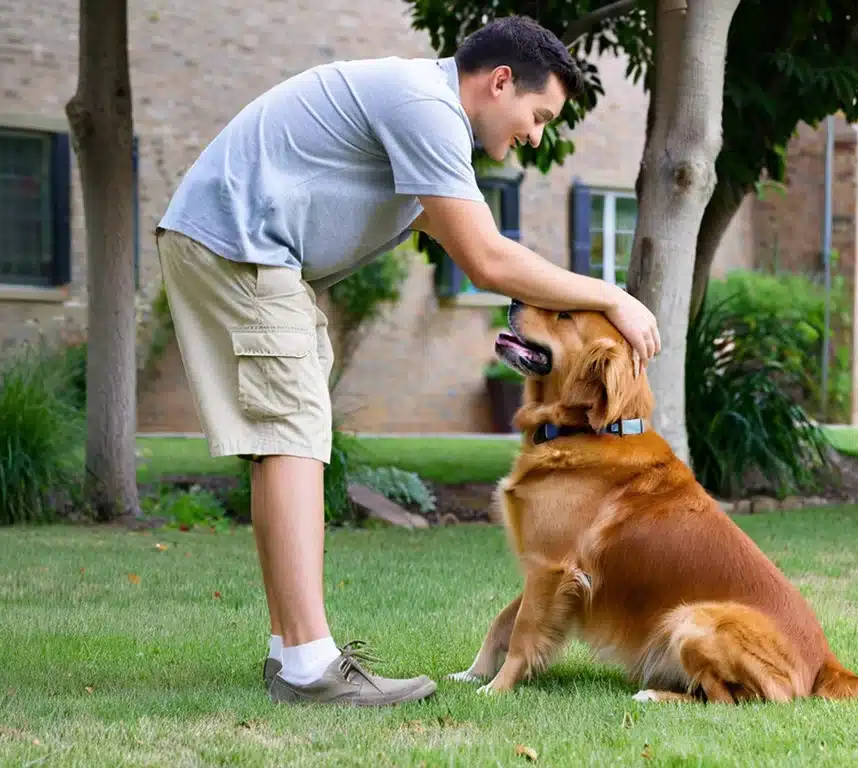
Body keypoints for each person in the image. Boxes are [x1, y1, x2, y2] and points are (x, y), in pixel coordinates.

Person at [153, 15, 661, 707]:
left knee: (291, 437)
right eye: (537, 115)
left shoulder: (421, 114)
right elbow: (485, 262)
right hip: (243, 245)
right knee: (293, 435)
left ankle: (289, 652)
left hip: (239, 245)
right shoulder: (426, 109)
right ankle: (308, 667)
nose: (535, 136)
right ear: (500, 80)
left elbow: (461, 233)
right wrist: (612, 297)